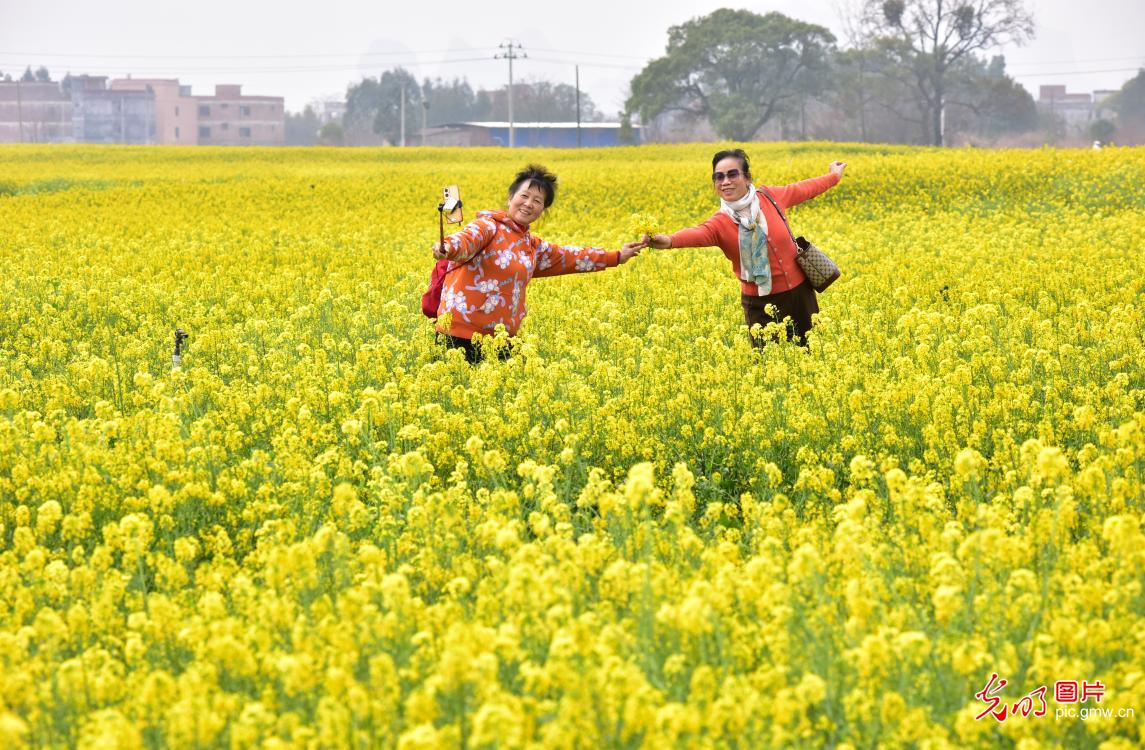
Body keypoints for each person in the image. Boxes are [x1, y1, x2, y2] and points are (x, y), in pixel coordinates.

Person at [432, 164, 643, 363]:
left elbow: (571, 257)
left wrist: (616, 256)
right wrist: (447, 248)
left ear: (542, 209)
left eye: (537, 201)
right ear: (510, 198)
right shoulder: (487, 226)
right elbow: (465, 240)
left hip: (500, 338)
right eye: (524, 196)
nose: (528, 204)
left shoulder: (531, 246)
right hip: (459, 335)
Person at [646, 149, 846, 346]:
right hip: (760, 305)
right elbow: (695, 234)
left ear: (747, 177)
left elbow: (805, 189)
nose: (725, 181)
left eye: (732, 174)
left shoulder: (771, 197)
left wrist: (833, 177)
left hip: (801, 296)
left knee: (811, 353)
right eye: (718, 177)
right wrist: (668, 240)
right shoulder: (719, 223)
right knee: (769, 367)